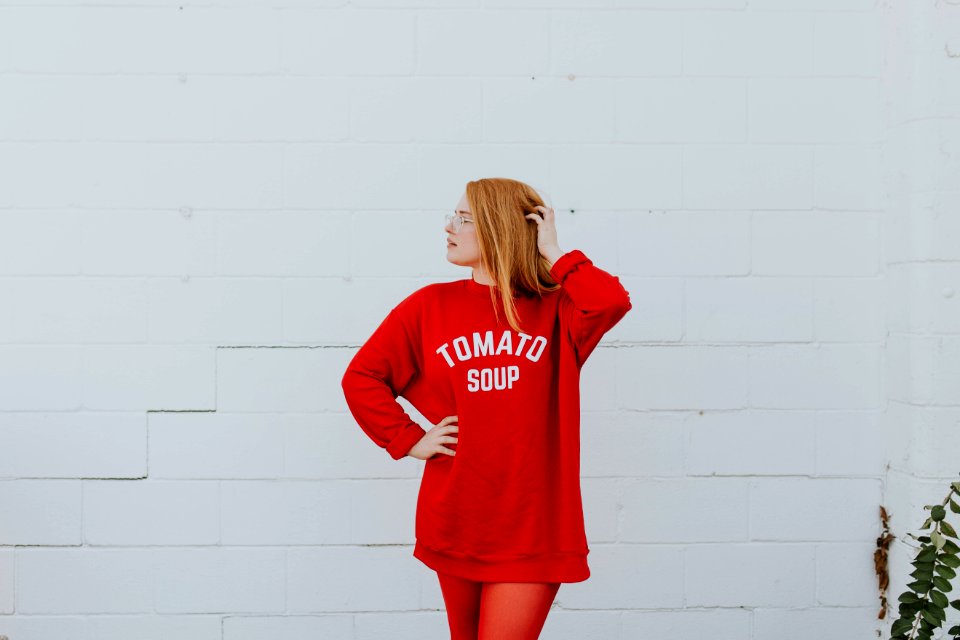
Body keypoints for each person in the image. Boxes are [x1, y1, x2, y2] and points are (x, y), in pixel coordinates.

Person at [341, 177, 632, 639]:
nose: (448, 227)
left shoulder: (558, 310)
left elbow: (611, 301)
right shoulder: (428, 307)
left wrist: (555, 252)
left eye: (464, 218)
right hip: (456, 516)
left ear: (498, 228)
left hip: (534, 527)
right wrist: (409, 438)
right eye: (451, 217)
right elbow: (362, 377)